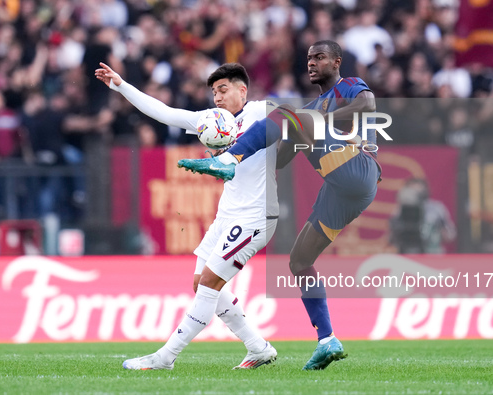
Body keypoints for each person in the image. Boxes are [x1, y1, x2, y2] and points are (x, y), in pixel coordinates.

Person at [179, 40, 381, 370]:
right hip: (342, 190)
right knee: (300, 261)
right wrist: (261, 153)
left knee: (291, 113)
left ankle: (231, 158)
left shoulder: (347, 87)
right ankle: (327, 339)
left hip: (360, 167)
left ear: (336, 62)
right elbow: (282, 158)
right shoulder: (314, 107)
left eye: (320, 58)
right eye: (309, 58)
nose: (312, 63)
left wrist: (321, 118)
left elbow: (368, 103)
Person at [95, 62, 279, 370]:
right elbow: (164, 112)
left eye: (223, 90)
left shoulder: (263, 112)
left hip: (255, 215)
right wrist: (121, 85)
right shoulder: (212, 121)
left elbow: (306, 120)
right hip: (227, 214)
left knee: (208, 284)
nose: (217, 97)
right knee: (200, 284)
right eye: (213, 92)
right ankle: (257, 347)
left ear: (242, 90)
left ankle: (165, 357)